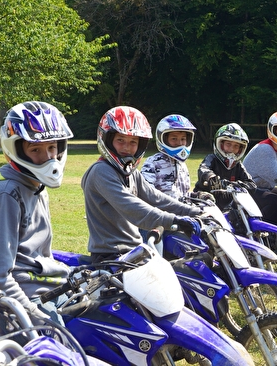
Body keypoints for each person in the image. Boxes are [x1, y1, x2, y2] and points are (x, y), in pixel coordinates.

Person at [0, 101, 74, 325]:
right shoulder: (6, 195)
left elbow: (40, 254)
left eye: (52, 147)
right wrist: (36, 316)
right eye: (35, 150)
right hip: (30, 298)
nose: (48, 157)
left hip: (51, 287)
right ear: (15, 150)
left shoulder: (35, 185)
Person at [81, 106, 202, 264]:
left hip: (134, 251)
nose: (127, 147)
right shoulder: (101, 171)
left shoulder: (129, 172)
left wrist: (196, 211)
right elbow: (132, 208)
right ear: (107, 139)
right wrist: (174, 220)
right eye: (120, 140)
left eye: (133, 142)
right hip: (111, 255)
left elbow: (156, 197)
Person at [194, 122, 277, 225]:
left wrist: (237, 184)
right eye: (228, 144)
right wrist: (212, 178)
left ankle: (264, 231)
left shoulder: (238, 165)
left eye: (236, 146)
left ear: (240, 149)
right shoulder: (212, 159)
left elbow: (251, 184)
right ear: (220, 144)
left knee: (276, 201)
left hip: (232, 203)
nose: (232, 149)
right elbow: (203, 169)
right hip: (207, 200)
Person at [140, 114, 196, 199]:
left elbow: (183, 194)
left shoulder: (182, 165)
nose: (180, 143)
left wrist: (196, 195)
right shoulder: (152, 163)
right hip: (161, 210)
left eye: (183, 139)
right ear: (163, 139)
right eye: (174, 139)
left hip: (181, 210)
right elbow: (146, 192)